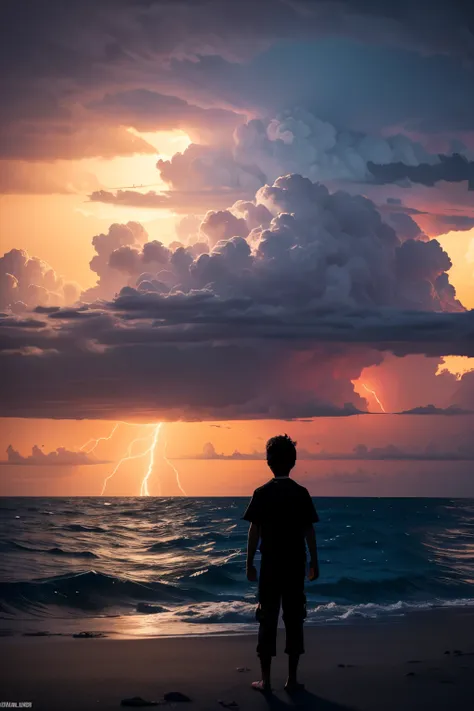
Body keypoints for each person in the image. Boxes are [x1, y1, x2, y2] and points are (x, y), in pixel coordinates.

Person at [242, 434, 319, 693]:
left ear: (268, 462)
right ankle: (292, 679)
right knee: (294, 618)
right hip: (295, 566)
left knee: (267, 618)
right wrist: (314, 562)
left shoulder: (261, 493)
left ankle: (265, 679)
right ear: (293, 462)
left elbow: (254, 531)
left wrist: (249, 562)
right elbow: (309, 530)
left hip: (271, 567)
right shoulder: (301, 493)